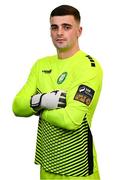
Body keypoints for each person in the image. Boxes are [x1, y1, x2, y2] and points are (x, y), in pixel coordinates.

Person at [12, 4, 103, 180]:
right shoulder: (41, 65)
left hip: (78, 169)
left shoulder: (89, 67)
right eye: (54, 27)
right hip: (47, 166)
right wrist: (46, 100)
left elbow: (71, 119)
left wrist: (38, 106)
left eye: (66, 27)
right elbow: (17, 106)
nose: (59, 32)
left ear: (79, 31)